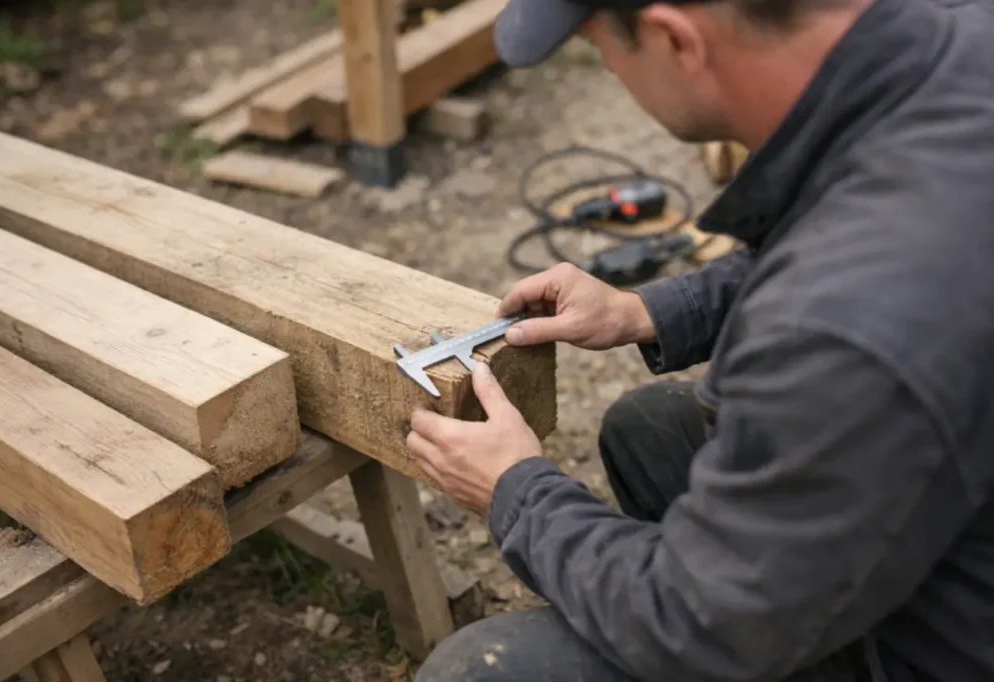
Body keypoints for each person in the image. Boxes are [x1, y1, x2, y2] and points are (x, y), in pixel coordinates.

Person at [405, 0, 994, 678]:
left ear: (674, 39)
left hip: (948, 646)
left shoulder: (845, 333)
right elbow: (838, 231)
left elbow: (696, 620)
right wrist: (641, 309)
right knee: (649, 430)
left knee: (480, 671)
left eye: (600, 47)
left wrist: (517, 491)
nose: (610, 69)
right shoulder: (955, 43)